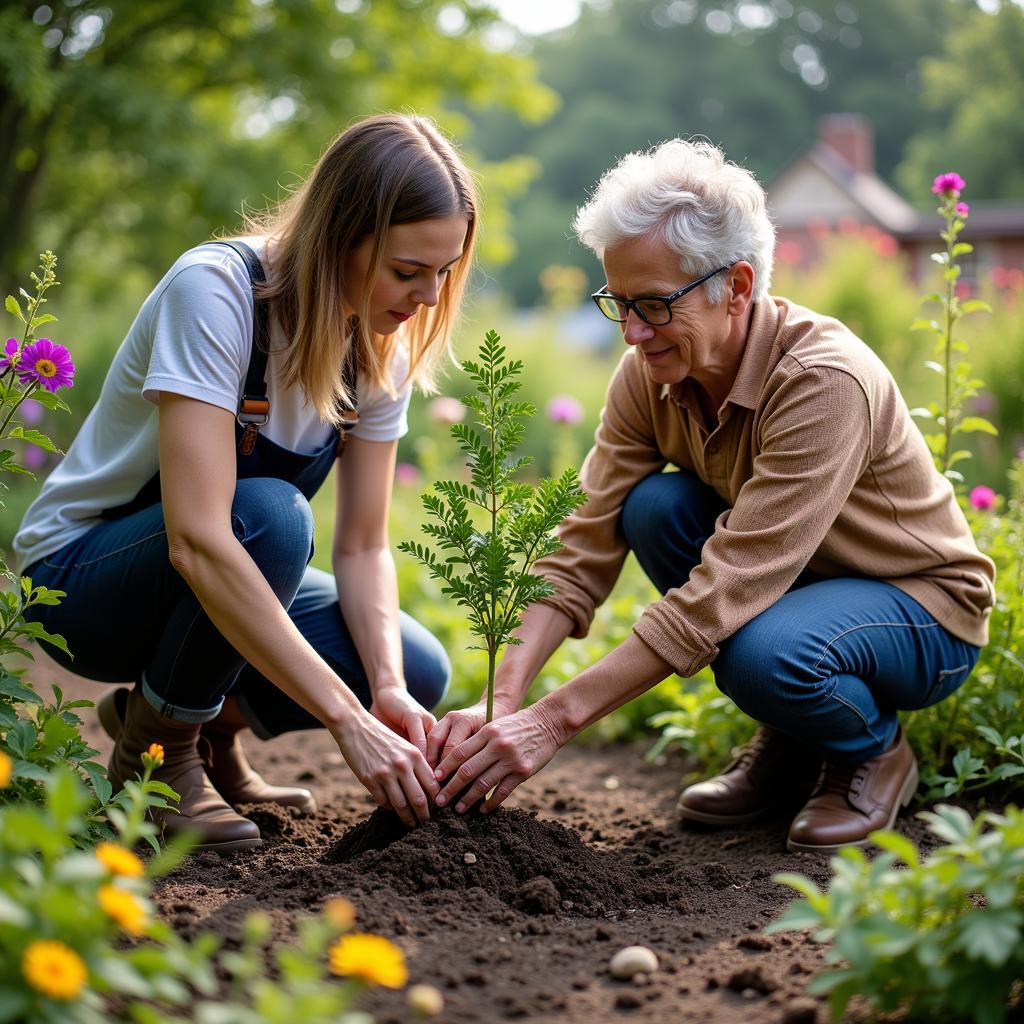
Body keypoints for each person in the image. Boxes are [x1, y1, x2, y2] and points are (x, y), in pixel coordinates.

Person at [427, 139, 995, 853]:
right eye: (620, 303)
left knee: (764, 654)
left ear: (736, 285)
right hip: (797, 587)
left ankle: (872, 752)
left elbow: (725, 591)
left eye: (655, 305)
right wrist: (504, 697)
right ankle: (794, 743)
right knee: (652, 510)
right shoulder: (650, 373)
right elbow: (582, 546)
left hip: (919, 608)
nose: (633, 333)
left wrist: (553, 721)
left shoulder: (821, 381)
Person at [15, 113, 477, 851]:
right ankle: (157, 761)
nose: (427, 297)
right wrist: (344, 720)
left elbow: (362, 548)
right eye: (406, 269)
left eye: (443, 271)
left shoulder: (379, 345)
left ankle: (184, 721)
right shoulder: (217, 292)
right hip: (78, 584)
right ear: (340, 236)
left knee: (416, 666)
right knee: (271, 517)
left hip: (204, 567)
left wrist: (381, 692)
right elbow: (199, 538)